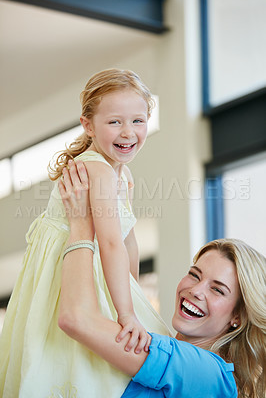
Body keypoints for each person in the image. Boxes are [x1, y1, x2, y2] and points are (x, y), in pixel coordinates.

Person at [0, 69, 170, 398]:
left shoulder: (122, 175)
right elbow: (108, 243)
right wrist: (125, 314)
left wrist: (134, 299)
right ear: (88, 125)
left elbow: (127, 242)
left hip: (100, 275)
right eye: (114, 122)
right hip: (73, 278)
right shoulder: (97, 168)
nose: (128, 132)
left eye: (138, 121)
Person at [58, 160, 266, 398]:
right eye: (194, 275)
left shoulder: (205, 371)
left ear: (237, 317)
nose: (196, 290)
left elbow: (75, 319)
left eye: (217, 290)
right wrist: (121, 214)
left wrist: (81, 224)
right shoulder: (168, 353)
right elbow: (129, 285)